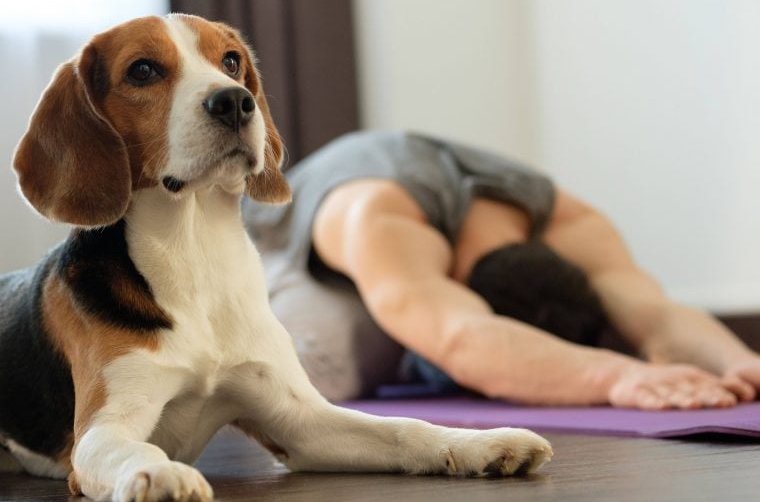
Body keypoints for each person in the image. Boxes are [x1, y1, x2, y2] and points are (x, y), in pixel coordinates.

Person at [243, 130, 760, 409]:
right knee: (334, 367)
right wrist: (617, 375)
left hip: (405, 251)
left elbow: (654, 312)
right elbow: (463, 339)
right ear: (460, 289)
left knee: (411, 321)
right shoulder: (381, 221)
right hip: (276, 247)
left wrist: (739, 361)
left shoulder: (569, 222)